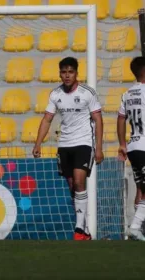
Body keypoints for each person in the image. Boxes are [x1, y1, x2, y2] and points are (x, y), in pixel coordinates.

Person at [32, 57, 104, 241]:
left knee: (80, 182)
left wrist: (99, 148)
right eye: (63, 72)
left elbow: (98, 119)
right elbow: (47, 119)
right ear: (60, 74)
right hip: (64, 144)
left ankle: (79, 229)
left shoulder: (87, 92)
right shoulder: (55, 94)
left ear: (76, 73)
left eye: (70, 72)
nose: (67, 75)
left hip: (84, 143)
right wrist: (38, 143)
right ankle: (85, 230)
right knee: (73, 187)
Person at [117, 56, 145, 241]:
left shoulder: (127, 94)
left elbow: (120, 119)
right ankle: (135, 227)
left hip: (133, 146)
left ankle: (138, 229)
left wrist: (122, 144)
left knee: (141, 189)